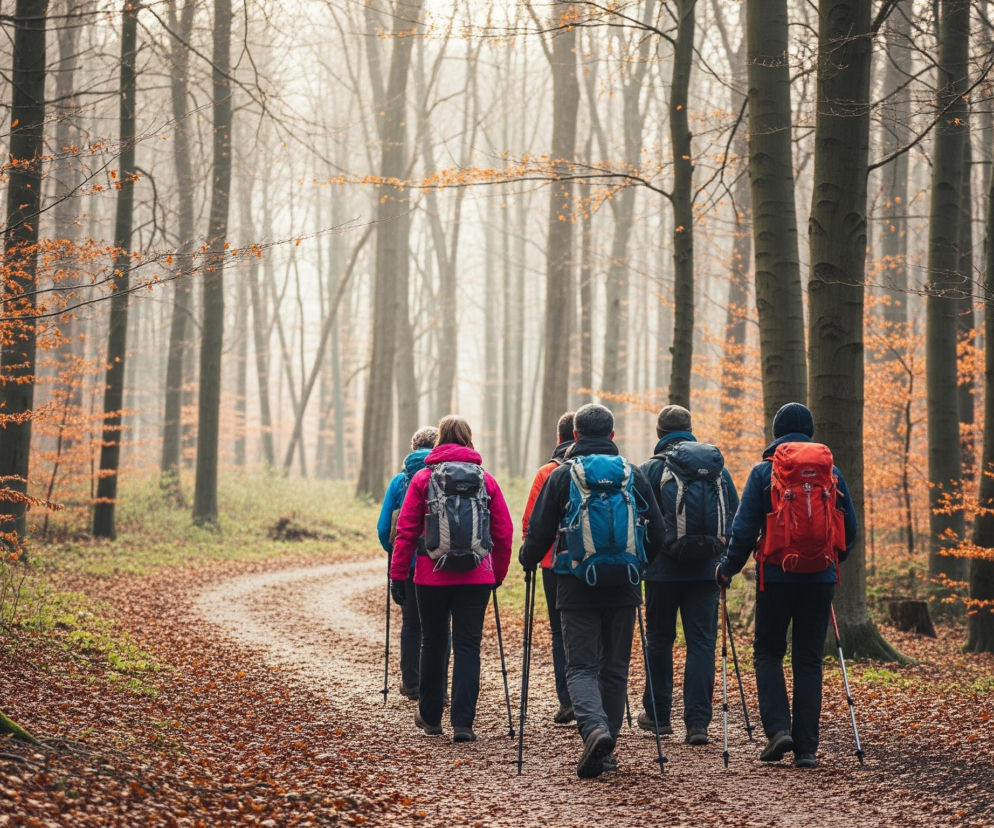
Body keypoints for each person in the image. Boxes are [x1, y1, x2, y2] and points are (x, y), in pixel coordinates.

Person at [519, 403, 665, 778]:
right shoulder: (632, 473)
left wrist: (527, 558)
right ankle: (607, 747)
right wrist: (638, 564)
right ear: (612, 436)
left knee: (581, 667)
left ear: (576, 435)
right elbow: (659, 531)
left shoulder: (562, 475)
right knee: (614, 669)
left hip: (575, 585)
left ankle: (595, 730)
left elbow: (539, 532)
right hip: (625, 586)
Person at [716, 402, 857, 769]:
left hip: (775, 577)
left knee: (768, 652)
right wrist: (828, 562)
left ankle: (779, 730)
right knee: (809, 660)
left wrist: (727, 569)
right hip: (820, 578)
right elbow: (850, 530)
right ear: (809, 432)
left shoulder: (764, 473)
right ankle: (807, 749)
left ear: (776, 434)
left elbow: (743, 530)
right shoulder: (832, 474)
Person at [390, 415, 513, 742]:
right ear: (468, 439)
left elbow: (405, 531)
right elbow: (504, 531)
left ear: (440, 439)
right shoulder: (486, 480)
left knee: (433, 642)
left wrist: (398, 575)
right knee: (468, 646)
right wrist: (497, 574)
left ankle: (431, 718)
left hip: (430, 576)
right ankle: (463, 724)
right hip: (477, 576)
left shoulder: (423, 478)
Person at [637, 405, 739, 745]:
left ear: (659, 433)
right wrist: (724, 562)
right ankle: (697, 724)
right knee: (702, 644)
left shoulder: (651, 470)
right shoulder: (716, 470)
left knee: (659, 640)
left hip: (661, 573)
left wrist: (644, 563)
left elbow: (638, 520)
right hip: (706, 572)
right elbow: (736, 515)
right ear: (690, 428)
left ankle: (658, 716)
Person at [521, 411, 575, 725]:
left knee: (561, 630)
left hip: (554, 562)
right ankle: (595, 697)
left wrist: (528, 555)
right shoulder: (612, 470)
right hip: (600, 562)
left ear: (559, 437)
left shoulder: (548, 472)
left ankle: (568, 700)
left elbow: (531, 522)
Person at [377, 426, 438, 700]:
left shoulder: (400, 481)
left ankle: (412, 682)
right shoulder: (445, 476)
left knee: (411, 624)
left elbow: (383, 527)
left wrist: (394, 553)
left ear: (413, 448)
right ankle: (436, 686)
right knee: (438, 626)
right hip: (440, 562)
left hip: (410, 562)